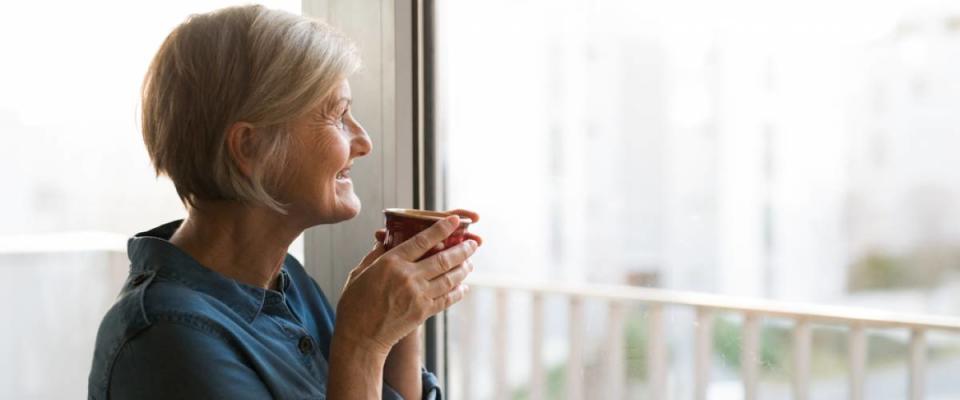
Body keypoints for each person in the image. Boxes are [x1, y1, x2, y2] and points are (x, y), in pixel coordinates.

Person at [88, 5, 480, 399]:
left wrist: (399, 317)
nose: (363, 141)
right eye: (339, 115)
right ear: (250, 146)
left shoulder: (288, 285)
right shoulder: (165, 341)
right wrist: (361, 345)